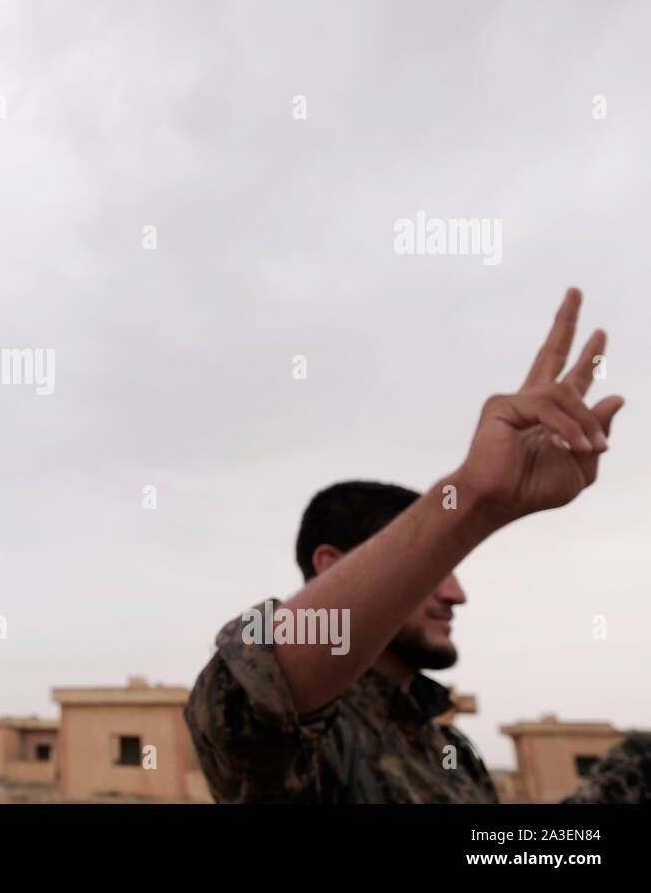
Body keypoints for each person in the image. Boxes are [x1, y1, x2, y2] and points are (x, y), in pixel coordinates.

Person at [185, 288, 628, 803]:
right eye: (432, 567)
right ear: (330, 566)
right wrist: (472, 500)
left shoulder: (451, 749)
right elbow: (251, 686)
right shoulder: (308, 737)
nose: (456, 596)